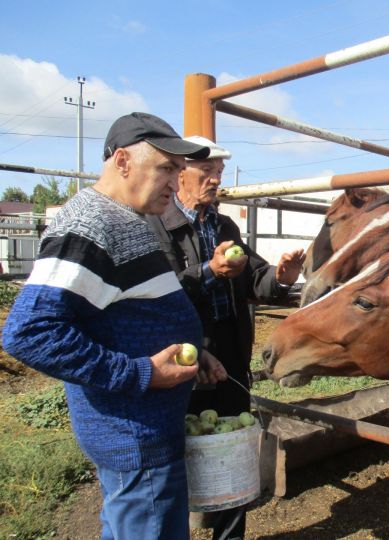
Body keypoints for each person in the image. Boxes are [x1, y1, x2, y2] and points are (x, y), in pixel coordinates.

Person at [2, 112, 223, 540]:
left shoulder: (125, 219)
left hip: (143, 434)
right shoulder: (92, 225)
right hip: (136, 438)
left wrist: (192, 348)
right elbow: (29, 332)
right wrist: (141, 373)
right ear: (122, 161)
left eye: (179, 171)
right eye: (165, 168)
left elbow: (130, 311)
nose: (176, 183)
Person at [146, 135, 305, 540]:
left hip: (230, 353)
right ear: (181, 173)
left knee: (233, 448)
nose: (216, 179)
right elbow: (158, 292)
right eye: (208, 171)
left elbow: (254, 277)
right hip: (183, 357)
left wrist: (280, 277)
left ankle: (230, 535)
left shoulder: (224, 225)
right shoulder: (156, 224)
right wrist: (208, 273)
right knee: (179, 453)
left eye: (218, 172)